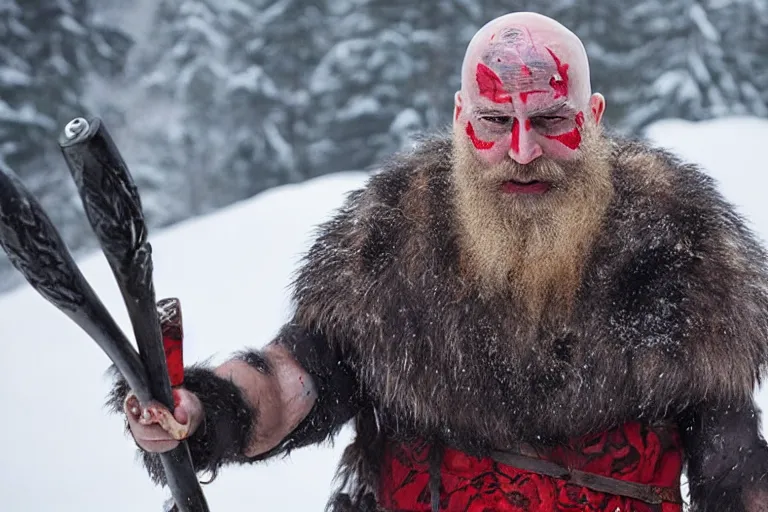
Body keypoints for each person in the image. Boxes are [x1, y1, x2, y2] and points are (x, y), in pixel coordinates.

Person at [112, 11, 768, 512]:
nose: (520, 149)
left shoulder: (677, 252)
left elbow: (731, 468)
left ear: (592, 117)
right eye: (492, 121)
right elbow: (295, 382)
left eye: (549, 120)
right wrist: (200, 409)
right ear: (460, 120)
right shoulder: (391, 240)